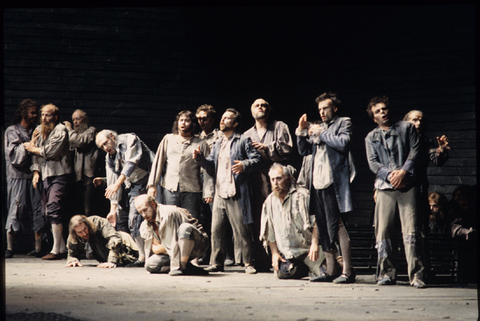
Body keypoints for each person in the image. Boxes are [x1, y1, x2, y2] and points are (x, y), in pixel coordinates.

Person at [365, 95, 426, 288]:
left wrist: (403, 171)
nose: (382, 112)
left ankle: (417, 275)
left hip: (407, 185)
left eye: (384, 109)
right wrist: (391, 175)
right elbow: (373, 163)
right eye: (378, 111)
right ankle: (386, 273)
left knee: (411, 231)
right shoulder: (371, 137)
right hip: (385, 187)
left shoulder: (406, 128)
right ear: (374, 117)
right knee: (383, 232)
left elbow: (415, 150)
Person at [296, 92, 356, 284]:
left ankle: (348, 270)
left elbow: (343, 143)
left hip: (333, 182)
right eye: (320, 109)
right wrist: (301, 131)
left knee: (337, 225)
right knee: (322, 226)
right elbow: (304, 150)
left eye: (326, 108)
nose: (322, 112)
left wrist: (321, 133)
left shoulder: (343, 122)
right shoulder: (318, 126)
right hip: (317, 182)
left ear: (335, 108)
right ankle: (331, 270)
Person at [193, 108, 261, 274]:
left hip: (235, 191)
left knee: (242, 229)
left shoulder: (243, 140)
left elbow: (257, 159)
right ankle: (217, 263)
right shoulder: (218, 143)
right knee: (216, 229)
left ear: (235, 123)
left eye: (227, 118)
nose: (222, 121)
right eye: (222, 118)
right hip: (220, 191)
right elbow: (210, 166)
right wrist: (200, 159)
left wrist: (244, 165)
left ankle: (247, 263)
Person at [244, 98, 293, 271]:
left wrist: (267, 147)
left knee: (279, 216)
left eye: (264, 105)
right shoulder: (247, 134)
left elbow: (287, 148)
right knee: (258, 219)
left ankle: (284, 258)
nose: (261, 107)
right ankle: (262, 259)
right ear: (252, 111)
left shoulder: (280, 126)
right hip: (255, 180)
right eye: (257, 105)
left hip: (276, 177)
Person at [95, 129, 156, 267]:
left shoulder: (129, 139)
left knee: (157, 216)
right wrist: (113, 209)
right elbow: (112, 181)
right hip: (136, 185)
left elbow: (131, 162)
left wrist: (117, 184)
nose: (105, 148)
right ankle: (142, 257)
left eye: (105, 143)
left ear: (112, 136)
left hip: (155, 180)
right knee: (133, 219)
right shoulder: (109, 157)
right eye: (102, 147)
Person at [24, 103, 72, 260]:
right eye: (42, 114)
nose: (44, 118)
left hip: (60, 174)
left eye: (48, 115)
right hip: (46, 175)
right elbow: (36, 155)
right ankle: (62, 247)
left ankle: (56, 250)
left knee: (53, 208)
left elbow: (51, 152)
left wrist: (32, 148)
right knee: (47, 212)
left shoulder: (61, 130)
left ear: (56, 117)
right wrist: (36, 171)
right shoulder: (39, 129)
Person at [260, 163, 324, 279]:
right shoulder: (269, 201)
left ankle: (324, 266)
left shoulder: (302, 196)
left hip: (308, 251)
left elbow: (316, 221)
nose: (275, 183)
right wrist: (274, 253)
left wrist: (314, 244)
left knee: (327, 272)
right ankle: (303, 269)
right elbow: (270, 232)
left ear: (288, 178)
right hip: (289, 254)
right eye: (272, 179)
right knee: (281, 273)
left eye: (279, 178)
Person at [147, 110, 213, 220]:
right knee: (170, 219)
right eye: (181, 120)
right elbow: (158, 162)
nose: (183, 123)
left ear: (192, 123)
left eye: (187, 121)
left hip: (191, 190)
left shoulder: (200, 143)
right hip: (170, 188)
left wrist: (208, 191)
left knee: (190, 221)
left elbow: (208, 169)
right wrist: (152, 185)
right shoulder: (168, 139)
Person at [4, 99, 45, 258]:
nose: (35, 116)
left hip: (35, 176)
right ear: (24, 112)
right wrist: (31, 143)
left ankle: (39, 248)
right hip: (18, 176)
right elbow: (15, 156)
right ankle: (9, 248)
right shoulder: (12, 130)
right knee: (16, 209)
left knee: (38, 210)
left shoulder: (36, 129)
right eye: (33, 112)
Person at [135, 194, 209, 276]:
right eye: (140, 212)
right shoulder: (145, 225)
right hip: (173, 250)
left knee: (185, 228)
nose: (144, 215)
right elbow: (156, 248)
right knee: (150, 265)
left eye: (145, 210)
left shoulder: (167, 214)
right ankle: (188, 268)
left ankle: (182, 267)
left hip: (197, 243)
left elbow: (171, 244)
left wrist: (165, 247)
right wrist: (166, 247)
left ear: (153, 204)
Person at [195, 104, 224, 265]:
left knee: (217, 219)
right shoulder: (196, 136)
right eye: (198, 119)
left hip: (215, 180)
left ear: (212, 120)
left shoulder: (219, 136)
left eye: (204, 119)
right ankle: (205, 253)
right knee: (202, 219)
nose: (201, 122)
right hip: (198, 180)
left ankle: (223, 254)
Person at [65, 215, 139, 268]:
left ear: (87, 225)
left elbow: (115, 239)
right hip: (106, 255)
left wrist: (111, 261)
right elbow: (72, 254)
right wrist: (73, 261)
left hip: (126, 247)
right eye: (80, 232)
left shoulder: (98, 222)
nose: (84, 233)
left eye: (85, 229)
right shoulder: (73, 236)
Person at [64, 109, 99, 216]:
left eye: (78, 119)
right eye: (73, 120)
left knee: (89, 208)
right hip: (76, 176)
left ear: (86, 120)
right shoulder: (73, 136)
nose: (75, 122)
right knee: (78, 209)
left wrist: (69, 129)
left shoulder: (91, 131)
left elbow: (80, 141)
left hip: (89, 175)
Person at [447, 185, 477, 283]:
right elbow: (454, 227)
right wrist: (466, 232)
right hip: (460, 240)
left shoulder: (473, 207)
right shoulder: (454, 208)